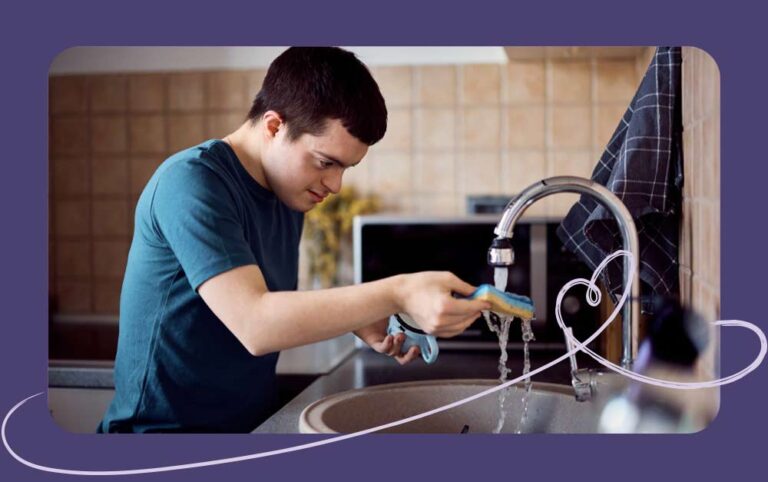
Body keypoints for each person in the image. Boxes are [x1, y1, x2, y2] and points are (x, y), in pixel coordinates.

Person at [98, 47, 490, 433]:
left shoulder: (288, 194)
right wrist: (399, 291)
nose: (335, 185)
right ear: (274, 126)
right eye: (326, 162)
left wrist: (358, 320)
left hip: (249, 431)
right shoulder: (191, 182)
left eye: (346, 168)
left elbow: (273, 308)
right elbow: (256, 323)